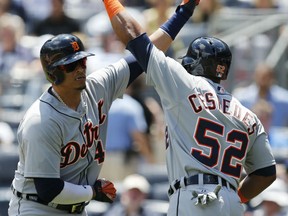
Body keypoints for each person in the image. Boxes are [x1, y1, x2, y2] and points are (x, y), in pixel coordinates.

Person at [8, 0, 199, 214]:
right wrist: (93, 191)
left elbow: (147, 55)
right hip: (36, 207)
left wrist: (183, 14)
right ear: (53, 73)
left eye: (82, 61)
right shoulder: (41, 121)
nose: (80, 68)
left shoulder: (96, 87)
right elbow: (48, 190)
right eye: (71, 65)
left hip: (75, 206)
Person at [103, 0, 277, 215]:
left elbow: (133, 36)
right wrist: (234, 197)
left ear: (194, 64)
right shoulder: (249, 115)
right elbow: (266, 173)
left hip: (193, 197)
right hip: (231, 201)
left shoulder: (184, 83)